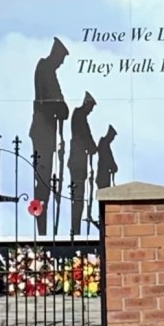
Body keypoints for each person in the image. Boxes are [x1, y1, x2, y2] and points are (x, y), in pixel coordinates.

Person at [28, 37, 70, 234]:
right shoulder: (45, 69)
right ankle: (41, 225)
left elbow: (62, 107)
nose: (61, 63)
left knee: (45, 180)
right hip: (43, 132)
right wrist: (61, 108)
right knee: (43, 181)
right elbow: (58, 104)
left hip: (47, 133)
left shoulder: (48, 71)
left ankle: (42, 224)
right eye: (61, 58)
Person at [68, 92, 98, 235]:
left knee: (79, 198)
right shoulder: (79, 115)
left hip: (79, 161)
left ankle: (76, 228)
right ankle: (75, 229)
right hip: (77, 162)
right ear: (86, 104)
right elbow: (85, 135)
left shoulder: (80, 116)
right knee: (78, 198)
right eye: (90, 107)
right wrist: (92, 147)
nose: (91, 111)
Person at [95, 124, 118, 190]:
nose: (112, 139)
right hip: (103, 176)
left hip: (104, 175)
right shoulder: (104, 143)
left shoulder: (105, 144)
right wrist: (113, 166)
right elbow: (108, 158)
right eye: (112, 137)